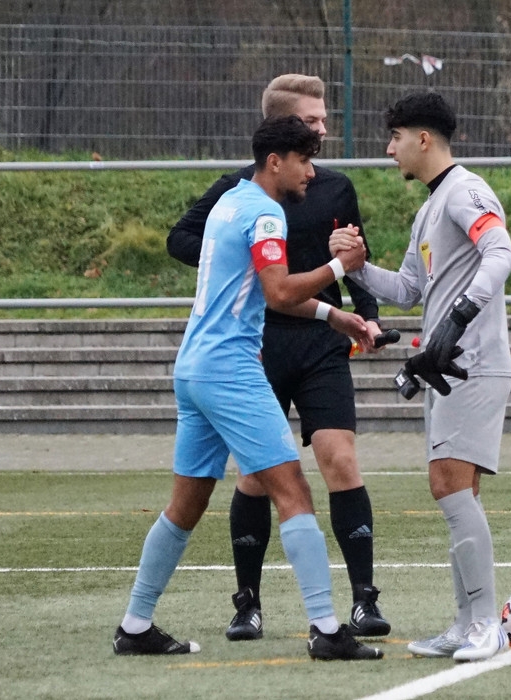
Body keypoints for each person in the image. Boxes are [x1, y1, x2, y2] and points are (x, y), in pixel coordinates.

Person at [113, 115, 382, 660]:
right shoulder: (265, 212)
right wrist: (339, 265)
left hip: (194, 368)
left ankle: (134, 625)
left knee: (184, 507)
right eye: (303, 160)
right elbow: (279, 291)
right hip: (230, 371)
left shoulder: (229, 202)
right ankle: (327, 630)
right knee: (294, 492)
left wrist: (331, 315)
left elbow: (256, 290)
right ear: (275, 162)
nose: (311, 172)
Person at [330, 91, 511, 662]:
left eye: (396, 138)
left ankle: (485, 623)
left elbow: (501, 253)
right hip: (445, 369)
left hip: (472, 363)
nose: (390, 150)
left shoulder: (465, 190)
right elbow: (409, 289)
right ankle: (466, 623)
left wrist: (458, 317)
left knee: (449, 485)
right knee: (454, 489)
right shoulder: (430, 208)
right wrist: (356, 268)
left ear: (424, 138)